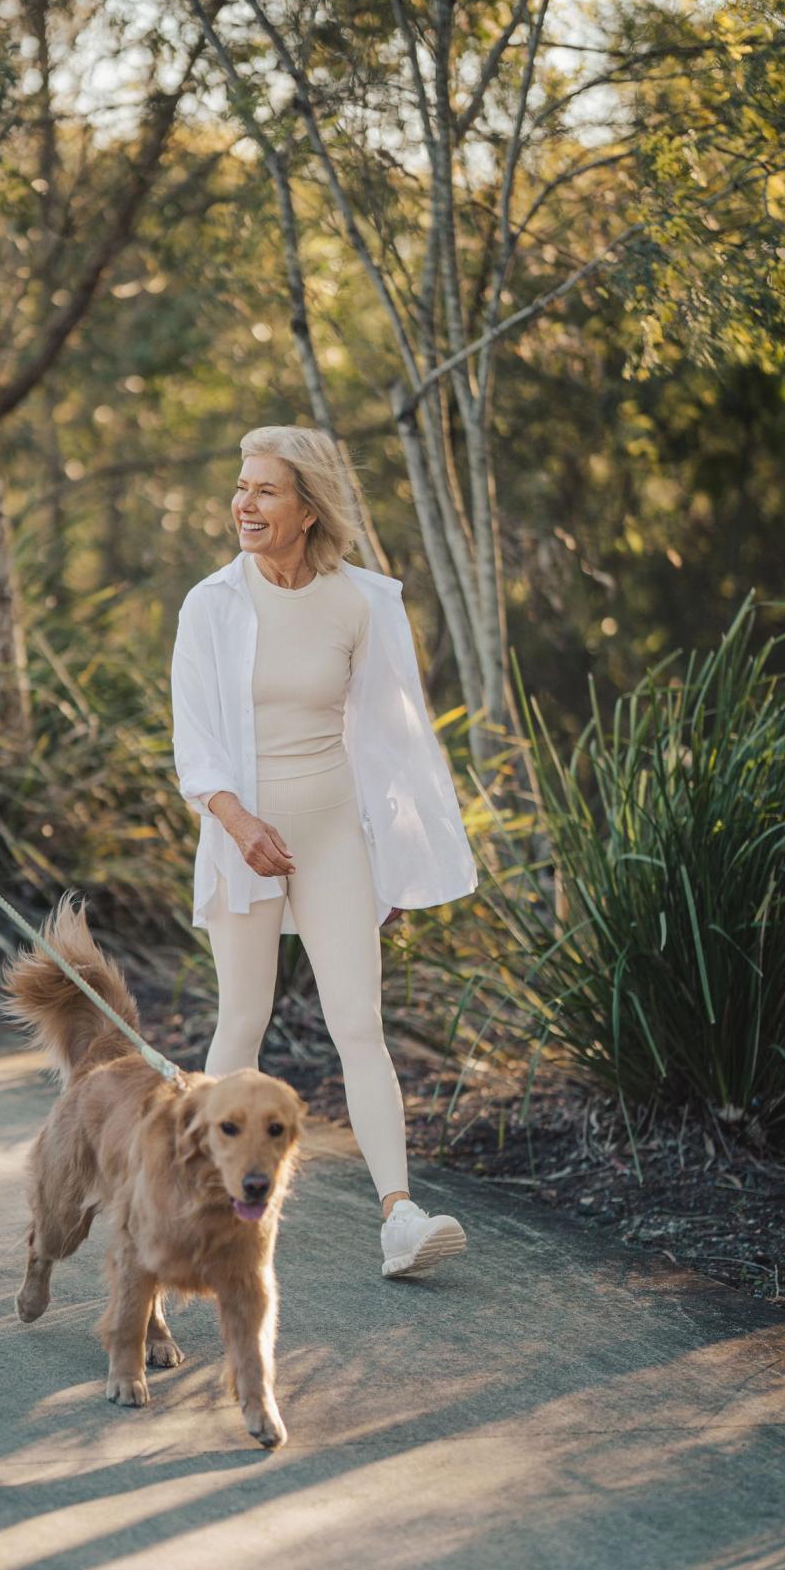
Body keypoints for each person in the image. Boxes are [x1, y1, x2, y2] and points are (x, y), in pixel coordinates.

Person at [171, 425, 477, 1278]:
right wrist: (241, 825)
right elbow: (194, 748)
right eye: (241, 487)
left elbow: (394, 736)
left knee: (358, 1025)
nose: (245, 504)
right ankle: (200, 1207)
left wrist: (403, 846)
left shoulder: (361, 603)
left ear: (308, 507)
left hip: (332, 831)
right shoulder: (213, 604)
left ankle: (401, 1217)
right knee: (244, 1018)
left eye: (266, 490)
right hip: (243, 836)